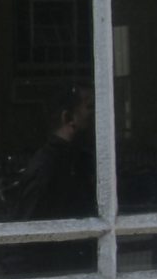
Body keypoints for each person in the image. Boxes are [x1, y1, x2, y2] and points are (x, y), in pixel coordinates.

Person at [16, 84, 97, 221]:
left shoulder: (78, 160)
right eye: (89, 107)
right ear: (68, 117)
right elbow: (29, 226)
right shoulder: (47, 167)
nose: (95, 114)